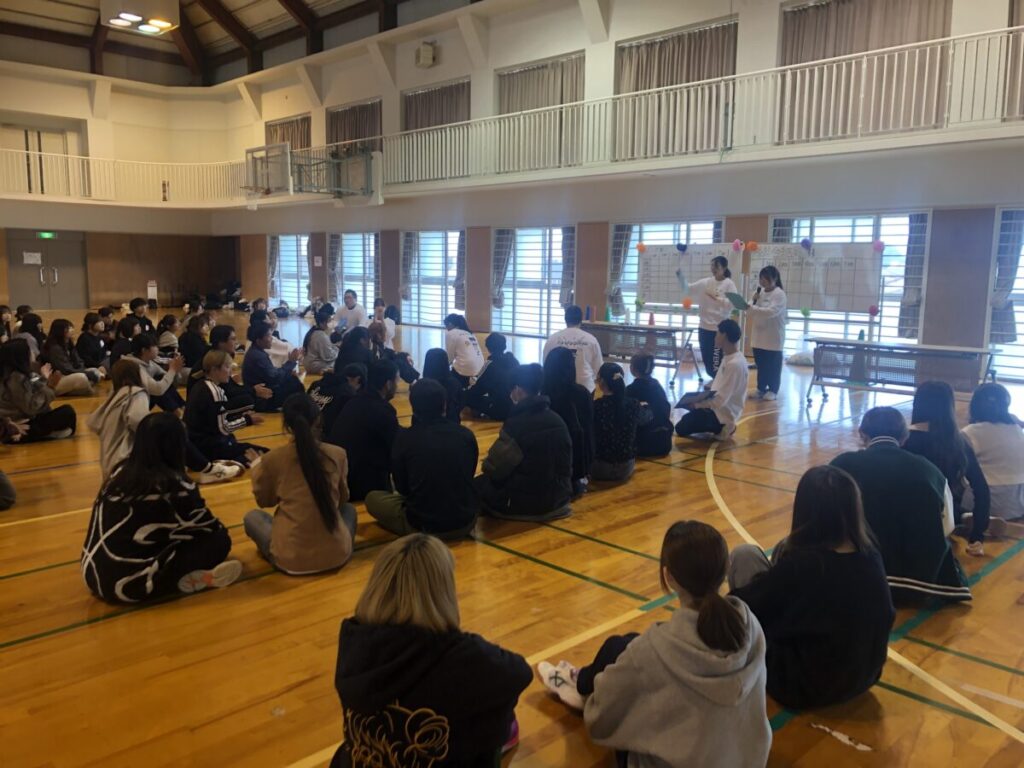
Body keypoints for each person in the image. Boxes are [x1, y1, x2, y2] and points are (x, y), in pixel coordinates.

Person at [537, 521, 770, 768]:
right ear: (726, 569)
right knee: (625, 645)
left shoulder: (653, 651)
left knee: (620, 652)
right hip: (749, 762)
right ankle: (582, 681)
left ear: (668, 577)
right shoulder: (751, 625)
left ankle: (580, 684)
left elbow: (599, 722)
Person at [331, 534, 531, 768]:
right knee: (498, 707)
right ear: (443, 593)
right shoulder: (460, 655)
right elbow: (520, 673)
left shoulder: (354, 639)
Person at [729, 465, 895, 709]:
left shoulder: (805, 566)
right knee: (782, 550)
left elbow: (742, 607)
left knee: (744, 556)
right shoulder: (871, 555)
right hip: (864, 677)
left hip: (803, 686)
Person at [81, 412, 242, 603]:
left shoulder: (118, 472)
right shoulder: (175, 487)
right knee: (219, 541)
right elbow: (210, 528)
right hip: (130, 585)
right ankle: (176, 581)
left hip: (92, 574)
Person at [831, 407, 971, 602]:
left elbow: (823, 514)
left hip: (853, 574)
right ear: (905, 437)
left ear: (862, 434)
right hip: (917, 579)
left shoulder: (841, 464)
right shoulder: (929, 470)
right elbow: (947, 526)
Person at [244, 394, 357, 575]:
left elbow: (264, 501)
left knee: (252, 517)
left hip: (290, 560)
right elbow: (343, 498)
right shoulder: (337, 454)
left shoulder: (273, 459)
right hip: (338, 555)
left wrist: (257, 466)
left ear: (287, 425)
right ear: (318, 419)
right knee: (349, 510)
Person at [365, 379, 479, 539]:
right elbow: (469, 473)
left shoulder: (405, 438)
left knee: (372, 499)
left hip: (422, 525)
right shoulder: (466, 435)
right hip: (466, 522)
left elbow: (402, 488)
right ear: (444, 405)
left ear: (413, 407)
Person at [475, 363, 573, 521]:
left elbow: (494, 468)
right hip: (559, 498)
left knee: (478, 485)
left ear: (518, 390)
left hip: (526, 503)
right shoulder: (557, 420)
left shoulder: (517, 424)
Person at [905, 381, 990, 556]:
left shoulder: (904, 440)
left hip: (905, 520)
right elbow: (981, 489)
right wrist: (977, 536)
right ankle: (964, 518)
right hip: (945, 518)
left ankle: (964, 517)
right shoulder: (958, 443)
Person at [328, 359, 400, 502]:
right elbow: (396, 449)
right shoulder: (383, 410)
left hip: (340, 477)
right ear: (388, 384)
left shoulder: (354, 401)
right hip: (363, 485)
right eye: (397, 381)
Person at [185, 350, 267, 467]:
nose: (230, 371)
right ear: (214, 369)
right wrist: (247, 420)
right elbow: (223, 428)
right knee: (263, 454)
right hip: (208, 447)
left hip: (196, 446)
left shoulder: (200, 385)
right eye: (227, 367)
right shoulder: (215, 391)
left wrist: (241, 417)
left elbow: (214, 420)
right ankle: (224, 464)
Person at [962, 383, 1024, 537]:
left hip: (985, 499)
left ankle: (968, 518)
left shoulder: (969, 433)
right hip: (1017, 502)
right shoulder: (1017, 430)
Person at [675, 319, 748, 441]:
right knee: (685, 422)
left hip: (722, 414)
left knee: (681, 428)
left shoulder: (734, 364)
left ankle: (725, 426)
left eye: (717, 334)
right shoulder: (730, 357)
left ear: (724, 335)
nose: (715, 337)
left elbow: (720, 400)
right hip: (717, 409)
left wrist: (696, 405)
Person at [86, 359, 152, 480]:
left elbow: (93, 423)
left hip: (109, 465)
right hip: (126, 464)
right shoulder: (135, 394)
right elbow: (140, 423)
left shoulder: (114, 397)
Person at [0, 339, 77, 441]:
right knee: (67, 412)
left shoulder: (13, 375)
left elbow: (34, 392)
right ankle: (26, 436)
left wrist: (44, 379)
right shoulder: (15, 378)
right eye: (29, 350)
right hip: (19, 424)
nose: (32, 352)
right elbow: (32, 408)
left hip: (19, 420)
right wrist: (50, 387)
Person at [187, 325, 268, 407]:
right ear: (221, 343)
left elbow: (231, 387)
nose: (236, 342)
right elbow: (228, 391)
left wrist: (252, 390)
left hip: (213, 397)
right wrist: (253, 390)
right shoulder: (214, 360)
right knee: (248, 399)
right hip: (205, 404)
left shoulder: (218, 355)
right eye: (233, 339)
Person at [690, 255, 738, 379]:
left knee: (716, 358)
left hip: (718, 329)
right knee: (706, 356)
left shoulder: (729, 284)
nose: (713, 268)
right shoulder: (705, 282)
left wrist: (717, 299)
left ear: (724, 268)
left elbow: (733, 304)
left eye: (716, 266)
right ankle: (714, 379)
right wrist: (680, 278)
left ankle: (718, 380)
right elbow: (688, 288)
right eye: (712, 265)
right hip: (704, 327)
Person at [591, 363, 641, 483]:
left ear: (601, 382)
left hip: (600, 468)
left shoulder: (597, 406)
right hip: (627, 467)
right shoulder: (633, 404)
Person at [242, 320, 304, 412]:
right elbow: (275, 378)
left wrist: (288, 371)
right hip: (262, 398)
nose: (271, 338)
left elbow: (272, 373)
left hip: (260, 394)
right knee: (295, 385)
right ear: (258, 340)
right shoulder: (258, 356)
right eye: (268, 336)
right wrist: (291, 362)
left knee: (291, 379)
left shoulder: (255, 351)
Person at [747, 265, 787, 401]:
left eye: (766, 278)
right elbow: (749, 308)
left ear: (774, 279)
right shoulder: (759, 292)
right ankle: (760, 388)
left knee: (773, 366)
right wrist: (752, 303)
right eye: (761, 278)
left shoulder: (779, 294)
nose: (762, 281)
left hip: (773, 337)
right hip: (758, 336)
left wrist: (752, 308)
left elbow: (771, 312)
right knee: (761, 365)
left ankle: (773, 390)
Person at [542, 305, 603, 393]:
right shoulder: (591, 340)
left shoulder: (552, 339)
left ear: (565, 319)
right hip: (585, 389)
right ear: (581, 320)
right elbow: (599, 370)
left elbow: (546, 365)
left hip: (557, 389)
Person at [123, 333, 186, 413]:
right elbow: (158, 389)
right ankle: (177, 412)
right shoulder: (133, 367)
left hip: (142, 398)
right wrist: (172, 370)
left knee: (161, 378)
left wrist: (174, 370)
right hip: (130, 406)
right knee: (157, 385)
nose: (158, 349)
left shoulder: (148, 362)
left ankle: (182, 408)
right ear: (144, 350)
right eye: (155, 346)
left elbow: (167, 379)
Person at [626, 353, 673, 457]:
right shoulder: (657, 386)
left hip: (642, 445)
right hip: (665, 443)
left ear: (633, 369)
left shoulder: (631, 390)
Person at [465, 333, 519, 420]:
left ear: (488, 348)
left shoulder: (490, 364)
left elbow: (479, 388)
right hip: (515, 407)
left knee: (466, 396)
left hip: (500, 409)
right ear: (504, 346)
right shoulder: (514, 361)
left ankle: (480, 413)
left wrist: (467, 391)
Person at [41, 319, 103, 396]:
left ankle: (74, 390)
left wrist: (83, 370)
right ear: (60, 331)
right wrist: (84, 373)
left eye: (71, 327)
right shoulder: (55, 348)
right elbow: (65, 369)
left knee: (95, 371)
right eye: (68, 328)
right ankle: (87, 391)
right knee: (81, 377)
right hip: (58, 379)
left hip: (71, 373)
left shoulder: (69, 344)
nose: (72, 330)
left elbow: (79, 361)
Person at [308, 362, 366, 438]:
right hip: (326, 436)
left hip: (304, 430)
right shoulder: (347, 394)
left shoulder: (315, 384)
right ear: (357, 379)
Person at [422, 348, 464, 425]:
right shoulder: (455, 383)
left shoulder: (421, 386)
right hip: (452, 425)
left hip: (426, 426)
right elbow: (461, 404)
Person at [444, 314, 485, 386]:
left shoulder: (451, 333)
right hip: (480, 370)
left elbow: (449, 357)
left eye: (446, 326)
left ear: (450, 324)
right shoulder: (470, 334)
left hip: (466, 371)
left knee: (447, 378)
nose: (446, 329)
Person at [302, 306, 340, 374]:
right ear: (322, 323)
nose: (330, 323)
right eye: (328, 321)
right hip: (314, 365)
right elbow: (328, 356)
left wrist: (333, 346)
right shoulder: (321, 335)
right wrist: (337, 350)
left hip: (308, 363)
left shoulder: (313, 331)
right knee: (339, 361)